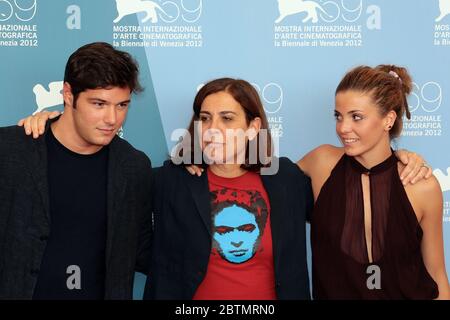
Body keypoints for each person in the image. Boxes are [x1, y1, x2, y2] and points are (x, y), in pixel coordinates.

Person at [20, 76, 431, 300]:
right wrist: (54, 123)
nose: (214, 128)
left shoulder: (288, 179)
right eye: (205, 117)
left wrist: (403, 157)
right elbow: (98, 174)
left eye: (228, 118)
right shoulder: (169, 179)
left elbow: (357, 190)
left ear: (253, 127)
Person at [0, 42, 152, 299]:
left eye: (122, 105)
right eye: (99, 104)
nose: (112, 119)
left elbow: (144, 250)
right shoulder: (10, 150)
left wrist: (201, 172)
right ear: (68, 95)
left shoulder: (134, 167)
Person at [298, 65, 450, 299]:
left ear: (388, 119)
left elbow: (436, 274)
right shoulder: (322, 162)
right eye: (338, 116)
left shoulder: (422, 185)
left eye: (356, 117)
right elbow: (266, 182)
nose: (343, 128)